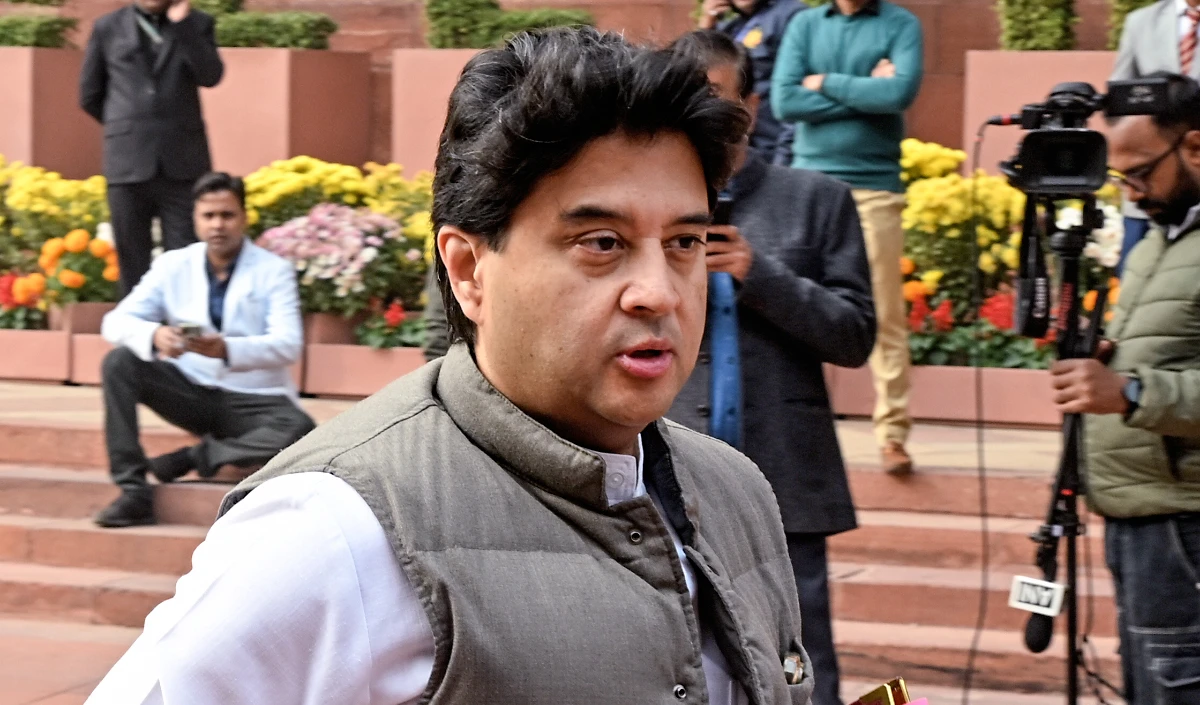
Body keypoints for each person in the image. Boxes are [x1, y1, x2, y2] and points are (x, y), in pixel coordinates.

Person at [85, 28, 817, 705]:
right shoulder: (338, 527)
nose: (658, 291)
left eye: (684, 243)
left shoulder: (735, 491)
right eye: (601, 242)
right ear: (468, 270)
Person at [668, 31, 874, 705]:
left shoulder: (817, 199)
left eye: (715, 95)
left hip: (784, 470)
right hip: (666, 469)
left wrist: (762, 276)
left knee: (800, 662)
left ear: (752, 106)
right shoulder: (646, 207)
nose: (700, 111)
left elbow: (854, 336)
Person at [1050, 73, 1200, 705]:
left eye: (1139, 173)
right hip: (1138, 512)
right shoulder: (1163, 238)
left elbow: (1144, 385)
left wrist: (1131, 393)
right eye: (1120, 177)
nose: (1131, 192)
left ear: (1194, 147)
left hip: (1183, 519)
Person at [94, 172, 313, 529]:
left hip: (253, 399)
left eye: (227, 215)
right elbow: (114, 322)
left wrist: (226, 349)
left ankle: (193, 457)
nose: (217, 225)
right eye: (208, 216)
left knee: (300, 430)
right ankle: (133, 491)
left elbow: (288, 345)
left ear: (244, 218)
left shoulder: (274, 270)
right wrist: (154, 334)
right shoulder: (172, 265)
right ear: (195, 219)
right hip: (190, 391)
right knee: (119, 362)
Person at [771, 0, 923, 476]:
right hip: (807, 184)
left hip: (874, 188)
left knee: (885, 313)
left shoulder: (900, 24)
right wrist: (865, 89)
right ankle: (787, 431)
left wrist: (825, 82)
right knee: (785, 303)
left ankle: (892, 433)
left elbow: (898, 93)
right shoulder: (805, 24)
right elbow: (785, 102)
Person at [80, 0, 224, 297]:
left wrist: (183, 26)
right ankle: (136, 324)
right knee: (132, 257)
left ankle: (183, 324)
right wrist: (126, 125)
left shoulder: (198, 24)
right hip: (127, 162)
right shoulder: (108, 27)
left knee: (186, 256)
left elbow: (210, 76)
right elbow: (89, 94)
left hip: (183, 162)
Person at [1110, 0, 1200, 274]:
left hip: (1194, 178)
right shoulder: (1141, 21)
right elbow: (1119, 98)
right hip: (1150, 184)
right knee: (1135, 278)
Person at [698, 0, 805, 165]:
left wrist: (783, 159)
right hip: (737, 150)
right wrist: (706, 27)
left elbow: (794, 95)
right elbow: (698, 75)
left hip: (772, 147)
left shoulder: (790, 15)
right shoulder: (732, 26)